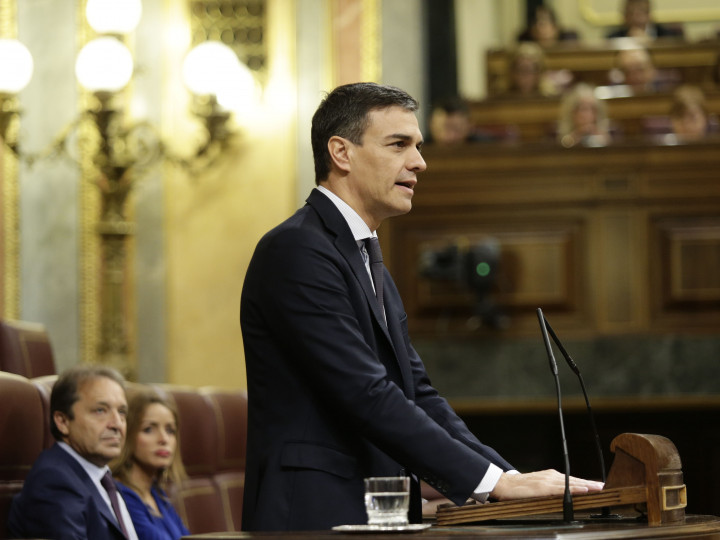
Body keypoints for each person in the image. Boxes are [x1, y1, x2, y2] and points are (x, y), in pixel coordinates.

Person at [239, 81, 604, 531]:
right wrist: (489, 483)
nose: (419, 162)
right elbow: (365, 392)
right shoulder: (296, 250)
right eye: (399, 145)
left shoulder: (364, 256)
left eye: (418, 146)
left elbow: (418, 393)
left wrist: (506, 477)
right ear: (341, 152)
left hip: (373, 510)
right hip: (313, 515)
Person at [8, 365, 139, 540]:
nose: (117, 424)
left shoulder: (102, 478)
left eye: (122, 412)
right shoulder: (54, 482)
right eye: (100, 410)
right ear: (62, 421)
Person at [111, 389, 189, 540]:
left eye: (170, 430)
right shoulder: (120, 495)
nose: (163, 439)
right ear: (128, 434)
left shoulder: (156, 493)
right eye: (149, 429)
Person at [557, 83, 612, 148]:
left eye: (592, 109)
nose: (588, 114)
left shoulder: (612, 131)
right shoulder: (558, 133)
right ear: (573, 112)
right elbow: (563, 146)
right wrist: (578, 134)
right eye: (584, 109)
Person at [606, 0, 684, 41]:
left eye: (640, 13)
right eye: (631, 14)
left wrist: (650, 43)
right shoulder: (614, 37)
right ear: (625, 17)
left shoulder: (667, 35)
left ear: (649, 15)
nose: (635, 18)